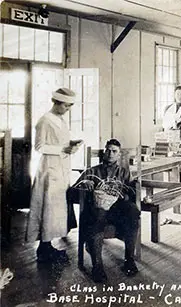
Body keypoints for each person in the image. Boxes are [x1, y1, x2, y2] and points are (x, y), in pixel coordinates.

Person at [71, 139, 140, 282]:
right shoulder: (92, 172)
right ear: (104, 152)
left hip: (116, 212)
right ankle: (97, 266)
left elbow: (132, 192)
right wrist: (85, 184)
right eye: (108, 150)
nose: (110, 153)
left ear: (119, 155)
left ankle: (129, 260)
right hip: (96, 212)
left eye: (114, 151)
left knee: (133, 211)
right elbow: (71, 192)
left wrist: (126, 194)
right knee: (99, 212)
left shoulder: (123, 173)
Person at [26, 88, 80, 263]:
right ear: (56, 102)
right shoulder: (45, 120)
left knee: (55, 208)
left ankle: (47, 245)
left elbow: (59, 142)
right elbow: (40, 147)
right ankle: (44, 247)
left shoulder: (60, 120)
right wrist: (62, 149)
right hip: (49, 169)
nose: (68, 109)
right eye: (66, 105)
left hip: (60, 167)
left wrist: (70, 145)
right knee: (48, 207)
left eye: (70, 106)